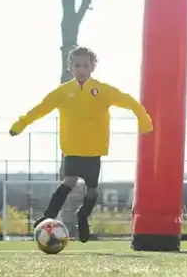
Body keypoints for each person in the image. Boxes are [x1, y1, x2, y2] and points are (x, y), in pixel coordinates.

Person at [9, 46, 152, 242]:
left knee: (92, 189)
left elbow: (129, 101)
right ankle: (49, 215)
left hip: (94, 150)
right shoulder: (63, 92)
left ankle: (83, 216)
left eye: (85, 65)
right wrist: (20, 124)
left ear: (93, 67)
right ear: (71, 68)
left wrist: (143, 118)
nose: (81, 69)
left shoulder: (103, 90)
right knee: (69, 181)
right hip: (72, 148)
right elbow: (40, 108)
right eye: (77, 65)